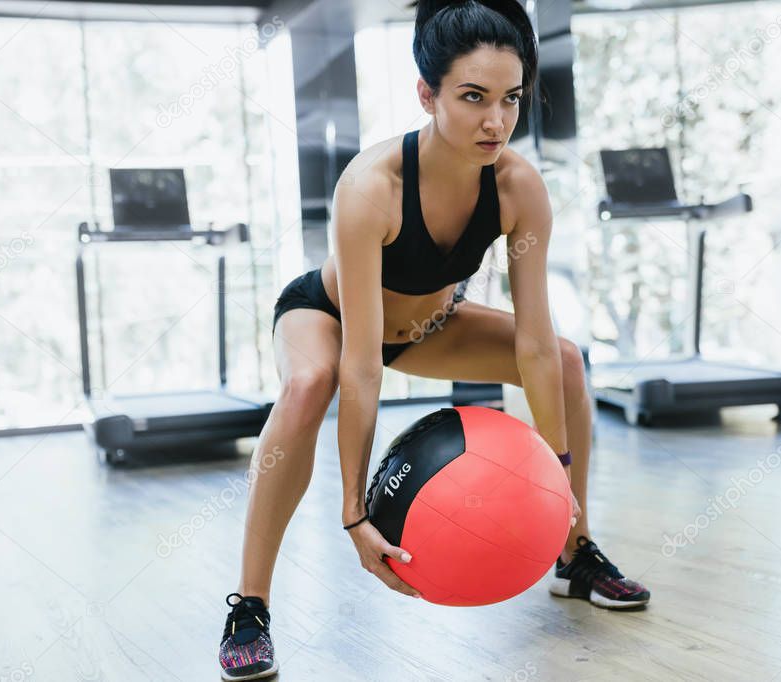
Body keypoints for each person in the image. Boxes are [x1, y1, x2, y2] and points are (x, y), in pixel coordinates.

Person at [218, 1, 650, 678]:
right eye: (473, 97)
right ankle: (249, 605)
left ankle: (576, 552)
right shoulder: (371, 186)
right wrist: (355, 512)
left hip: (429, 325)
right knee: (309, 384)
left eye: (510, 100)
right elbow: (360, 368)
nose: (495, 121)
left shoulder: (517, 187)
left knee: (564, 360)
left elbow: (534, 343)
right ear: (427, 93)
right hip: (329, 316)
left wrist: (556, 479)